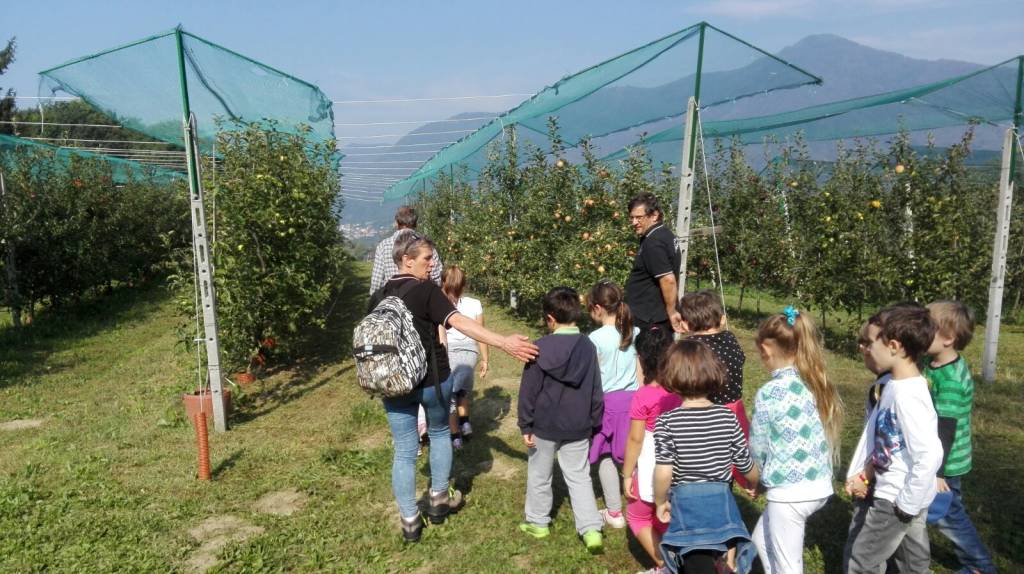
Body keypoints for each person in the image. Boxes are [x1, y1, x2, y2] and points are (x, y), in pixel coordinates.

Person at [368, 232, 538, 543]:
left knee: (404, 450)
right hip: (432, 380)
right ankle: (438, 501)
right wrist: (503, 342)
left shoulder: (378, 296)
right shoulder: (426, 291)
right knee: (439, 432)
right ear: (407, 260)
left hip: (393, 384)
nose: (433, 265)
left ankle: (409, 520)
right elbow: (459, 321)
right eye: (427, 259)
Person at [843, 304, 944, 574]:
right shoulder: (893, 386)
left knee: (862, 562)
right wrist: (866, 474)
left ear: (894, 346)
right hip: (904, 495)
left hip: (896, 498)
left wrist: (906, 504)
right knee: (911, 565)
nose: (866, 349)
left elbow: (930, 454)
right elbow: (887, 443)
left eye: (872, 342)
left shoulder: (908, 395)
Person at [748, 306, 843, 574]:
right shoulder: (813, 382)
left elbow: (757, 446)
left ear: (766, 350)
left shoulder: (770, 393)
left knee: (788, 565)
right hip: (817, 484)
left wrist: (754, 479)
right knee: (761, 542)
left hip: (790, 493)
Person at [654, 340, 760, 574]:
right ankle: (725, 563)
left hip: (686, 501)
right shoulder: (727, 417)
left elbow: (664, 470)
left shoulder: (666, 422)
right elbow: (743, 460)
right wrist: (754, 481)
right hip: (720, 499)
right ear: (714, 372)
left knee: (691, 554)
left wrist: (660, 501)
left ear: (671, 376)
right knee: (724, 542)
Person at [518, 286, 605, 554]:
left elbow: (528, 391)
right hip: (579, 425)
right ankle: (591, 529)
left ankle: (538, 522)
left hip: (544, 426)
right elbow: (595, 388)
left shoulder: (539, 348)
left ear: (550, 319)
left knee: (539, 474)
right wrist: (595, 420)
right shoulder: (588, 347)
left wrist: (525, 424)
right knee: (579, 476)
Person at [923, 300, 995, 574]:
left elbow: (946, 428)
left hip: (947, 460)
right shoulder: (933, 362)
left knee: (950, 515)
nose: (920, 331)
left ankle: (980, 566)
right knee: (950, 510)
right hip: (940, 455)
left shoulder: (951, 379)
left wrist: (938, 471)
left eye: (926, 327)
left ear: (948, 338)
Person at [622, 326, 678, 574]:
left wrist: (626, 474)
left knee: (637, 515)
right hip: (683, 468)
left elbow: (635, 438)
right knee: (669, 514)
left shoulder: (643, 396)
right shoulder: (684, 391)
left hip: (652, 468)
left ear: (642, 359)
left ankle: (665, 565)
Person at [678, 290, 749, 487]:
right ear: (721, 318)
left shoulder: (692, 347)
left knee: (705, 465)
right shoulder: (730, 338)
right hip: (734, 412)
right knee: (727, 463)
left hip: (706, 416)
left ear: (686, 323)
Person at [586, 280, 640, 530]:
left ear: (597, 307)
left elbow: (592, 375)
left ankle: (614, 511)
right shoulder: (634, 332)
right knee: (635, 452)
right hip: (632, 401)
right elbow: (640, 369)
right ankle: (642, 501)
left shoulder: (594, 338)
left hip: (607, 403)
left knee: (606, 454)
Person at [441, 265, 489, 449]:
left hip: (449, 353)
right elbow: (481, 334)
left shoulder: (439, 303)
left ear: (443, 282)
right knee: (462, 391)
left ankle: (455, 437)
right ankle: (466, 424)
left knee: (449, 396)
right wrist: (485, 359)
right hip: (470, 353)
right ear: (464, 284)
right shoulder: (475, 304)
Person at [625, 193, 683, 333]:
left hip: (649, 318)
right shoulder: (665, 234)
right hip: (654, 314)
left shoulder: (653, 242)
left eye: (639, 217)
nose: (634, 222)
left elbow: (668, 280)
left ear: (654, 215)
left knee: (650, 354)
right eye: (631, 217)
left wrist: (671, 311)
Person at [369, 205, 442, 294]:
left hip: (391, 298)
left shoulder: (383, 246)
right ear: (416, 223)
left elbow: (377, 282)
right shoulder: (426, 246)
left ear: (396, 223)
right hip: (420, 298)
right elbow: (437, 278)